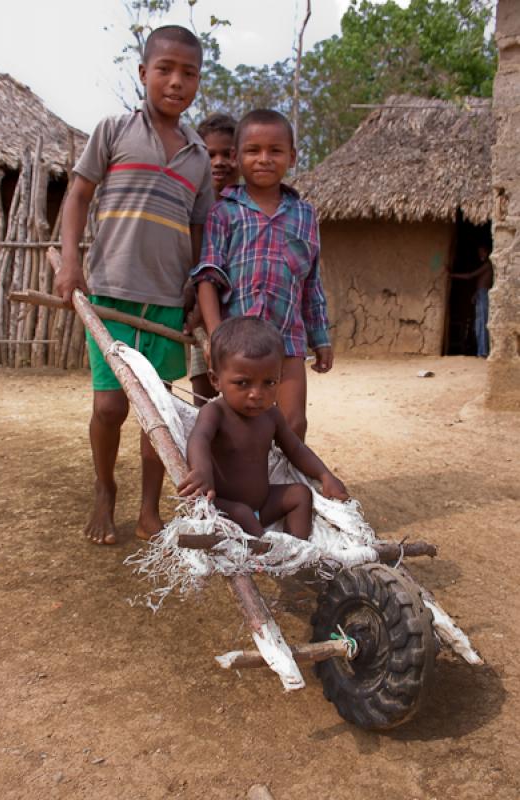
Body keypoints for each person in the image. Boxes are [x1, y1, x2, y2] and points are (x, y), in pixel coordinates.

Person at [54, 25, 214, 545]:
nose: (176, 82)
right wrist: (70, 264)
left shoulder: (198, 158)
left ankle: (149, 508)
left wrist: (193, 291)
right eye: (164, 69)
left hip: (166, 302)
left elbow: (198, 231)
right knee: (110, 407)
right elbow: (78, 195)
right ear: (143, 73)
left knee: (158, 413)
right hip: (109, 292)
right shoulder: (114, 131)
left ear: (197, 82)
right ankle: (105, 489)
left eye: (188, 73)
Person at [191, 108, 332, 441]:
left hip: (288, 339)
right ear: (238, 158)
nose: (264, 159)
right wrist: (215, 335)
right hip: (237, 341)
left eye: (276, 150)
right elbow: (207, 276)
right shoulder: (223, 212)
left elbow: (311, 283)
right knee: (236, 426)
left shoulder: (305, 215)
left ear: (293, 156)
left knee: (293, 424)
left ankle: (280, 487)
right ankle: (243, 488)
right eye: (253, 151)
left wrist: (321, 338)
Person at [178, 317, 348, 539]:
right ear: (215, 380)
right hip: (226, 508)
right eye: (243, 383)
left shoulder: (272, 416)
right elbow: (198, 439)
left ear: (280, 378)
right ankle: (266, 555)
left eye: (269, 383)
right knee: (243, 512)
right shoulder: (215, 412)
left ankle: (296, 549)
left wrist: (325, 475)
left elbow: (296, 449)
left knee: (300, 494)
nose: (257, 394)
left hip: (264, 502)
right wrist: (201, 471)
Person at [189, 113, 239, 407]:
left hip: (243, 317)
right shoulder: (193, 207)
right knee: (204, 398)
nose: (219, 162)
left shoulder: (250, 209)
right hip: (202, 316)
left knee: (246, 395)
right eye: (211, 154)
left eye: (227, 154)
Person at [449, 244, 493, 358]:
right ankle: (480, 351)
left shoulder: (488, 265)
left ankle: (484, 352)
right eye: (479, 252)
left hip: (483, 295)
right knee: (478, 324)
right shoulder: (486, 265)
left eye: (482, 251)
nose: (480, 254)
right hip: (480, 294)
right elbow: (482, 283)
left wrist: (451, 275)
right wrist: (476, 293)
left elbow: (470, 276)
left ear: (487, 252)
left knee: (482, 323)